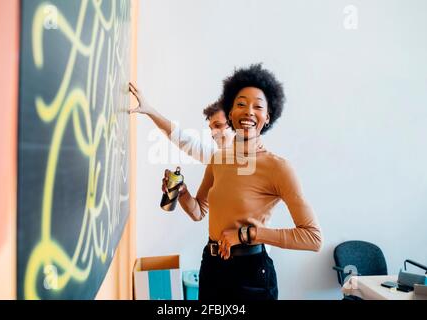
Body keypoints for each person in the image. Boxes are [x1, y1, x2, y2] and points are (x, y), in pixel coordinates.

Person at [169, 64, 323, 300]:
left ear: (268, 117)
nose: (249, 112)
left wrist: (247, 235)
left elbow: (312, 238)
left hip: (252, 274)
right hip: (211, 266)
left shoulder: (278, 168)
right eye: (241, 104)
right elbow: (199, 211)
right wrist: (182, 193)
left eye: (258, 106)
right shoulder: (219, 159)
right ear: (230, 114)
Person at [128, 83, 235, 163]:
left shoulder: (250, 163)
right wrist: (149, 110)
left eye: (218, 125)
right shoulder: (218, 160)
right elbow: (182, 139)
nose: (213, 133)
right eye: (211, 129)